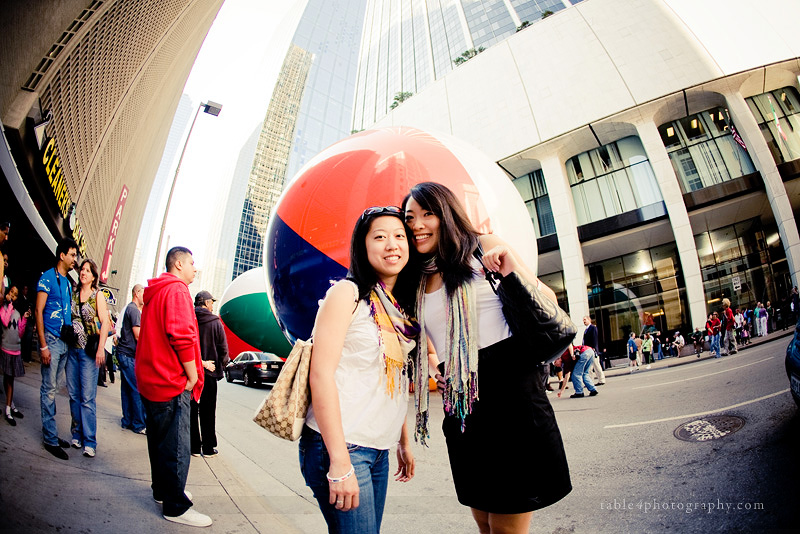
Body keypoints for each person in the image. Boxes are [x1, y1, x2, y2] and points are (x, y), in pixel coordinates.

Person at [404, 182, 570, 533]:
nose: (417, 224)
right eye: (410, 217)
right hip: (463, 406)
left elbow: (547, 300)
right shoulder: (417, 279)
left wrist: (509, 271)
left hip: (512, 395)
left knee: (506, 527)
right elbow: (428, 341)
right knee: (482, 520)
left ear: (445, 214)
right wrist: (439, 368)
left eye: (427, 213)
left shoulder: (484, 248)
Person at [300, 206, 419, 533]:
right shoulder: (347, 294)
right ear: (363, 247)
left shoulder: (399, 308)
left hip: (378, 449)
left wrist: (402, 440)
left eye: (399, 236)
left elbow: (391, 378)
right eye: (379, 237)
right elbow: (320, 374)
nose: (391, 244)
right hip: (342, 445)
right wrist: (339, 463)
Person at [135, 247, 210, 527]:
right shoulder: (177, 290)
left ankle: (163, 491)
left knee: (158, 441)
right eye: (192, 262)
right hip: (170, 380)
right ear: (178, 264)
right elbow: (180, 336)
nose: (195, 267)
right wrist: (192, 376)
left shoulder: (156, 290)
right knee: (176, 446)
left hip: (151, 379)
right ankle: (175, 505)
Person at [36, 238, 79, 460]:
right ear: (62, 255)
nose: (75, 259)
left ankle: (51, 433)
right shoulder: (47, 278)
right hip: (51, 341)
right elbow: (38, 311)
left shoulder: (67, 283)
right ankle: (50, 439)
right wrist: (43, 345)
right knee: (49, 389)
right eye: (72, 255)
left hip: (63, 342)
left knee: (55, 388)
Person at [66, 258, 109, 458]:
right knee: (74, 395)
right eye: (82, 269)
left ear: (93, 277)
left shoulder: (97, 296)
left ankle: (90, 440)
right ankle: (77, 433)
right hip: (72, 351)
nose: (83, 273)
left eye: (88, 270)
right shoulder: (74, 294)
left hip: (88, 353)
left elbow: (106, 323)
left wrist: (101, 349)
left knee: (87, 398)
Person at [191, 290, 229, 458]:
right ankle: (207, 447)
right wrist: (221, 365)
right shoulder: (215, 322)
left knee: (192, 409)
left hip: (191, 370)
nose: (213, 305)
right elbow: (223, 349)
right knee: (208, 411)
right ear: (206, 303)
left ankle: (193, 447)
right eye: (211, 302)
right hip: (210, 372)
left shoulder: (189, 318)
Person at [118, 284, 146, 434]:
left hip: (124, 354)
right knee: (136, 389)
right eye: (143, 292)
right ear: (137, 293)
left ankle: (127, 420)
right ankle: (139, 424)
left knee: (127, 389)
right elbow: (138, 335)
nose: (145, 296)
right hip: (129, 355)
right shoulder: (134, 310)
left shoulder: (130, 308)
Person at [1, 286, 29, 425]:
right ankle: (8, 407)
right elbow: (5, 322)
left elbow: (20, 333)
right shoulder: (4, 310)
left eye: (15, 294)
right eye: (11, 292)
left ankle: (9, 406)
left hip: (15, 350)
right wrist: (9, 305)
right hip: (5, 348)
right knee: (7, 378)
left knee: (10, 379)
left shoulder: (17, 313)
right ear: (7, 293)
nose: (12, 295)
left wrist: (24, 320)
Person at [582, 316, 605, 385]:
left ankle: (601, 380)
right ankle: (590, 382)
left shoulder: (593, 328)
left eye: (585, 320)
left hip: (592, 350)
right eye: (583, 320)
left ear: (589, 320)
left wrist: (594, 348)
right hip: (588, 351)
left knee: (596, 366)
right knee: (589, 367)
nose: (584, 321)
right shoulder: (586, 329)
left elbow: (595, 338)